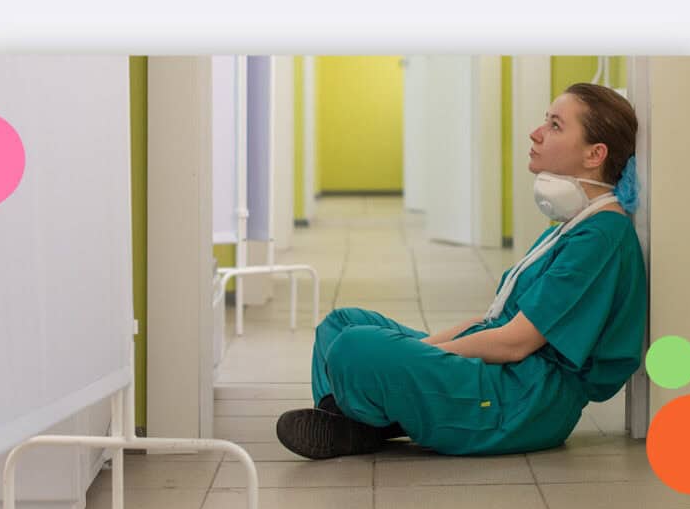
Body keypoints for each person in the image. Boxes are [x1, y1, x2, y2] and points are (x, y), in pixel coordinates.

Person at [275, 82, 647, 459]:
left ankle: (360, 422)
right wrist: (416, 355)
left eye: (554, 125)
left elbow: (515, 342)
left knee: (354, 349)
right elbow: (493, 320)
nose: (536, 133)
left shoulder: (600, 237)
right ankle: (366, 424)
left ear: (594, 154)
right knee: (340, 325)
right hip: (504, 379)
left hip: (523, 402)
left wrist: (425, 360)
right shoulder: (574, 225)